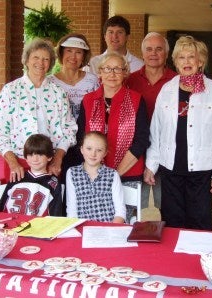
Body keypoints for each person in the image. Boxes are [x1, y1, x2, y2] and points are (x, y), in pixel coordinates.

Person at [144, 36, 212, 231]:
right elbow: (156, 130)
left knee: (200, 221)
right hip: (171, 168)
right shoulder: (167, 90)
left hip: (201, 170)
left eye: (191, 57)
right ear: (175, 62)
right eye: (181, 57)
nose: (186, 62)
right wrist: (151, 164)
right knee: (172, 221)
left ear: (200, 61)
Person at [0, 38, 77, 183]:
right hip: (18, 166)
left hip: (50, 166)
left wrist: (57, 159)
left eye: (46, 59)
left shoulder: (58, 93)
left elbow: (69, 130)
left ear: (50, 64)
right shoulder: (10, 90)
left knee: (49, 205)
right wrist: (13, 163)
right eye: (36, 57)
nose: (40, 63)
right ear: (27, 60)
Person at [77, 52, 150, 221]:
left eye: (118, 69)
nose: (112, 74)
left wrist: (115, 174)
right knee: (95, 221)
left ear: (126, 73)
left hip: (128, 174)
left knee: (123, 223)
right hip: (93, 175)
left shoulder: (137, 100)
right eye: (107, 69)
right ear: (99, 72)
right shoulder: (88, 101)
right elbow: (81, 138)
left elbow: (141, 139)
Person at [49, 33, 100, 216]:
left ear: (84, 56)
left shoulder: (93, 80)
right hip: (60, 146)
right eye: (69, 51)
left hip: (86, 144)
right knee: (61, 188)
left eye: (79, 52)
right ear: (61, 53)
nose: (73, 56)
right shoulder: (51, 82)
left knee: (84, 187)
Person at [126, 32, 177, 212]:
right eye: (149, 49)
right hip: (136, 151)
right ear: (142, 53)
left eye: (159, 49)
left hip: (168, 152)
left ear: (167, 53)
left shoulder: (176, 81)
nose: (153, 53)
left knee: (168, 207)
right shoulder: (130, 80)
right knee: (132, 208)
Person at [0, 134, 63, 216]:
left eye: (40, 154)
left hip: (38, 226)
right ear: (25, 157)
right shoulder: (18, 177)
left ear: (49, 157)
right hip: (11, 224)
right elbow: (1, 208)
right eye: (31, 155)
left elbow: (56, 214)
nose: (35, 159)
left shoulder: (53, 183)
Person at [66, 131, 126, 223]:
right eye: (89, 148)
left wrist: (111, 231)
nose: (93, 154)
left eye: (99, 150)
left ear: (105, 153)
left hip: (109, 228)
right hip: (83, 229)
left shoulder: (112, 175)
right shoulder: (72, 173)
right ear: (82, 149)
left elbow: (120, 212)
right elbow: (72, 210)